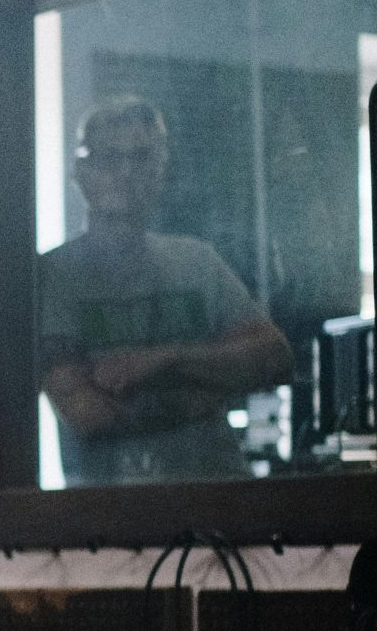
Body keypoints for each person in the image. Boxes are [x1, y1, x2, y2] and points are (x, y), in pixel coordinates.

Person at [38, 96, 293, 485]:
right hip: (116, 520)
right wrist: (201, 395)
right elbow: (86, 413)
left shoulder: (198, 262)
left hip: (224, 502)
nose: (126, 172)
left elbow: (274, 357)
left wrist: (164, 359)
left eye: (141, 158)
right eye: (110, 157)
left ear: (161, 169)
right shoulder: (53, 276)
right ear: (82, 170)